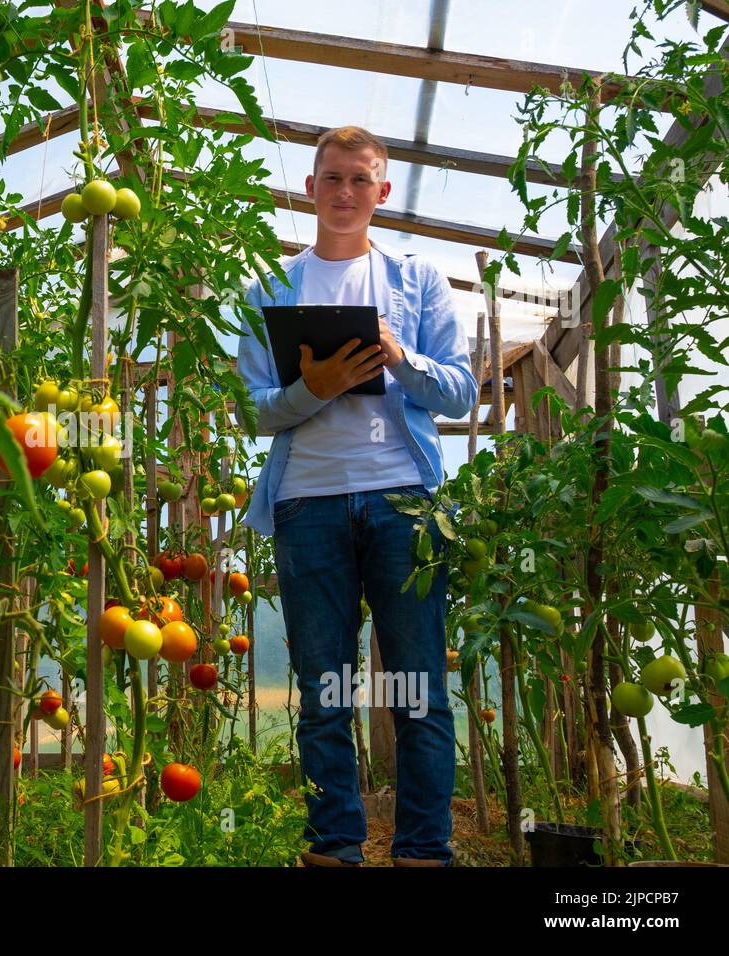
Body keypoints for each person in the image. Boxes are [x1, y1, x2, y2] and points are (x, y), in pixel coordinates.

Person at [237, 126, 478, 866]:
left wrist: (400, 358)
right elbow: (252, 408)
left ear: (382, 192)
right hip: (306, 503)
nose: (345, 192)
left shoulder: (418, 281)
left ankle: (422, 851)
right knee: (324, 691)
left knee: (420, 693)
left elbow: (463, 392)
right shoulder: (270, 290)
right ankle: (335, 848)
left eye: (360, 179)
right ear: (311, 189)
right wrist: (316, 387)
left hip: (403, 502)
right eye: (332, 178)